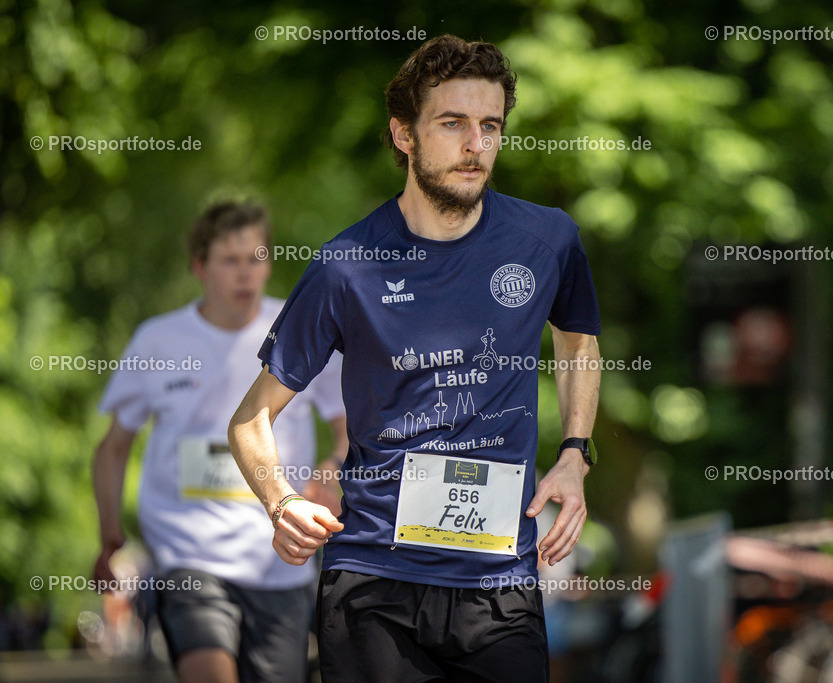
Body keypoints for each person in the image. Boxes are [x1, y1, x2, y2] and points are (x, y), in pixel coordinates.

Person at [229, 35, 601, 682]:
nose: (475, 144)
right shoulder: (347, 267)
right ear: (403, 135)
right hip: (375, 581)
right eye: (452, 123)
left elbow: (577, 340)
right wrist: (280, 501)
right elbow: (249, 419)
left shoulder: (549, 240)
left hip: (500, 581)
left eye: (490, 126)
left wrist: (575, 451)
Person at [92, 201, 348, 682]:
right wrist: (109, 532)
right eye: (229, 260)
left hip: (280, 556)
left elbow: (346, 428)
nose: (245, 273)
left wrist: (331, 470)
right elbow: (113, 446)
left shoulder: (302, 329)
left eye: (256, 257)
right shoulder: (158, 341)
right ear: (199, 267)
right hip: (189, 555)